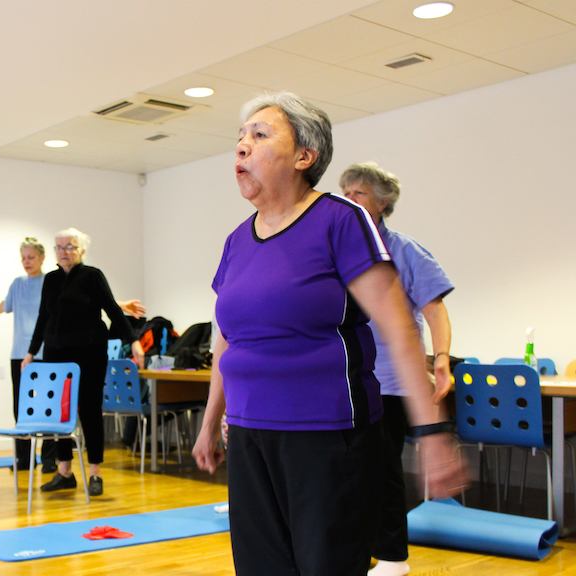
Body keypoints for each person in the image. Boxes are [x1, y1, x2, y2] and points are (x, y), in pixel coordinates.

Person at [191, 92, 466, 576]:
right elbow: (228, 340)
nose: (241, 147)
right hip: (251, 433)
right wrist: (211, 420)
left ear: (304, 156)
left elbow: (400, 330)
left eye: (259, 135)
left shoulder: (340, 220)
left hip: (326, 435)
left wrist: (432, 433)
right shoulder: (237, 240)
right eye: (239, 137)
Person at [341, 162, 454, 576]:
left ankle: (393, 557)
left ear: (383, 203)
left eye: (359, 194)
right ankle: (361, 548)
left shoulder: (405, 251)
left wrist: (441, 359)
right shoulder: (341, 251)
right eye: (345, 192)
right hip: (347, 382)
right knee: (351, 472)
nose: (348, 200)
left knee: (383, 470)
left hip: (391, 382)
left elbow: (435, 309)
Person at [0, 237, 145, 472]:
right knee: (55, 409)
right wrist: (30, 351)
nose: (64, 251)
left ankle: (85, 469)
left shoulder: (87, 275)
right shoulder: (46, 280)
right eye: (60, 247)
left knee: (86, 408)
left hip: (85, 353)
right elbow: (42, 316)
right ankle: (52, 467)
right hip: (51, 353)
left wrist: (132, 336)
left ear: (81, 250)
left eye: (70, 247)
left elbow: (106, 305)